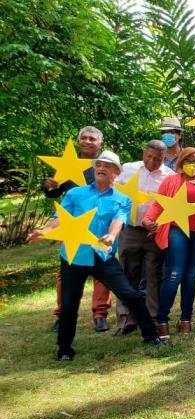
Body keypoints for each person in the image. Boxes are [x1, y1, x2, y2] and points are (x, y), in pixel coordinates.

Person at [28, 151, 170, 360]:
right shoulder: (75, 194)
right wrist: (45, 231)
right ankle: (64, 348)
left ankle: (151, 337)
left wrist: (112, 236)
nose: (101, 168)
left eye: (107, 165)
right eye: (98, 165)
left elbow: (118, 221)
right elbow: (59, 219)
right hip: (73, 255)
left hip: (101, 256)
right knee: (69, 304)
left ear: (116, 172)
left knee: (130, 295)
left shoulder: (122, 199)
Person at [43, 126, 112, 333]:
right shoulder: (66, 164)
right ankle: (62, 314)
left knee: (102, 269)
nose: (88, 141)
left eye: (92, 138)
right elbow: (53, 192)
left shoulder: (105, 164)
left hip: (101, 224)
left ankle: (100, 314)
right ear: (79, 141)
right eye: (84, 137)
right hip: (72, 225)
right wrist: (48, 187)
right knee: (67, 269)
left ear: (100, 143)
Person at [142, 148, 195, 337]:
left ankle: (186, 319)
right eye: (188, 160)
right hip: (176, 231)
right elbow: (158, 204)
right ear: (181, 162)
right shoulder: (171, 181)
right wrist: (147, 219)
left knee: (190, 278)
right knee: (174, 275)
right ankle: (162, 320)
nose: (193, 164)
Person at [114, 140, 174, 333]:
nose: (152, 161)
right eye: (149, 156)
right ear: (144, 152)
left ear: (164, 158)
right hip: (130, 230)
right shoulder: (127, 169)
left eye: (157, 159)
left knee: (154, 276)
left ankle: (153, 317)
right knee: (127, 274)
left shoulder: (169, 176)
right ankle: (126, 319)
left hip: (154, 233)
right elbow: (113, 192)